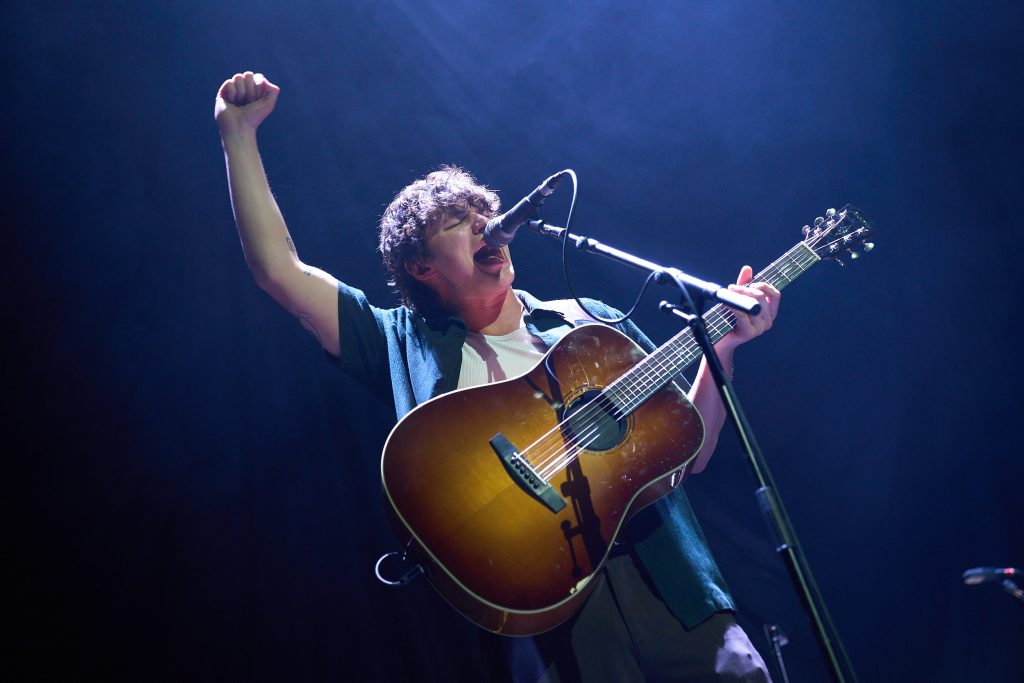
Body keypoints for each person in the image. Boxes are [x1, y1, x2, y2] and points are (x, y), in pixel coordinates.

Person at [216, 70, 780, 682]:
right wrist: (237, 135)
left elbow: (690, 451)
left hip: (674, 587)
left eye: (486, 215)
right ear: (421, 266)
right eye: (457, 223)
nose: (486, 228)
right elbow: (278, 270)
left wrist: (722, 347)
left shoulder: (590, 322)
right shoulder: (398, 343)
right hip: (549, 615)